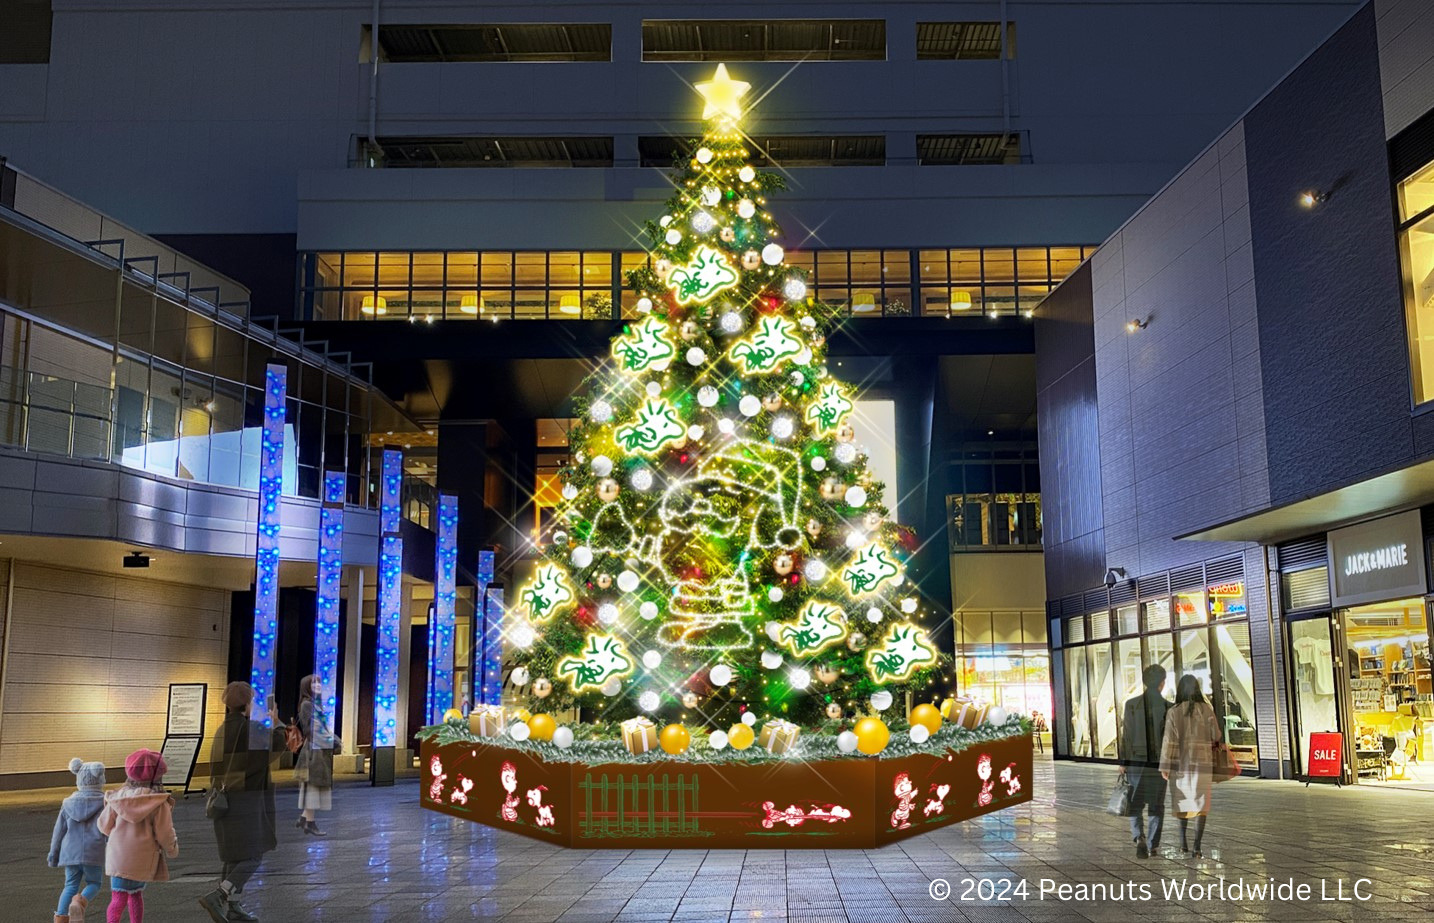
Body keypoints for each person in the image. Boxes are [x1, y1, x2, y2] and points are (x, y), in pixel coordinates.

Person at [200, 681, 283, 923]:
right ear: (247, 704)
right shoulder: (251, 730)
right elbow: (278, 744)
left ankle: (235, 909)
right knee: (252, 855)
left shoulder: (220, 731)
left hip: (222, 802)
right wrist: (276, 721)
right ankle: (220, 894)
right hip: (246, 802)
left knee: (233, 856)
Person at [97, 749, 179, 923]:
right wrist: (172, 849)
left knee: (118, 898)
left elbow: (103, 826)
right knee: (135, 896)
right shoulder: (158, 802)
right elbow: (164, 833)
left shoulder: (117, 798)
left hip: (118, 857)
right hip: (142, 859)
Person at [1161, 673, 1222, 859]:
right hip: (1203, 763)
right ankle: (1197, 847)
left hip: (1180, 765)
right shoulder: (1207, 710)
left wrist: (1165, 765)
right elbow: (1216, 735)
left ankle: (1183, 845)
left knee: (1182, 803)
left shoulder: (1174, 711)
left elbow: (1169, 741)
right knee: (1201, 805)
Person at [1118, 664, 1170, 859]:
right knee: (1157, 804)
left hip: (1135, 761)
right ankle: (1153, 845)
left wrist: (1123, 761)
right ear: (1162, 683)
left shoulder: (1131, 705)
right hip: (1159, 763)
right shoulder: (1168, 707)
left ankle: (1138, 837)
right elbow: (1169, 739)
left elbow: (1127, 735)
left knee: (1135, 801)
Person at [48, 758, 108, 923]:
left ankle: (61, 917)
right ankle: (80, 901)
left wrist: (54, 855)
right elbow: (109, 828)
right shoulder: (105, 803)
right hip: (93, 851)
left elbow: (58, 831)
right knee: (94, 883)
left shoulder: (67, 803)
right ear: (100, 780)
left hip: (70, 851)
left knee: (70, 885)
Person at [294, 673, 339, 837]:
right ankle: (310, 823)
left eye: (319, 683)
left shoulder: (313, 704)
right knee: (313, 785)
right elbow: (314, 729)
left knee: (312, 785)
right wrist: (333, 742)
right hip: (315, 751)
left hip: (317, 748)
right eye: (314, 684)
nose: (318, 686)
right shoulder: (308, 705)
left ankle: (305, 818)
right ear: (307, 687)